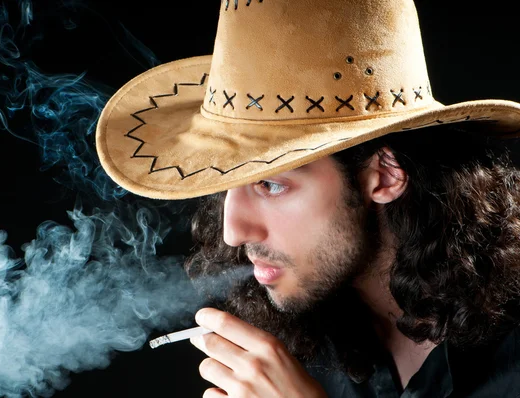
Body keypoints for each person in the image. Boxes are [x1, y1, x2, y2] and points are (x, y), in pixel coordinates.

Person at [95, 0, 519, 396]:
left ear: (384, 175)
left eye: (271, 184)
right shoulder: (303, 340)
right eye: (227, 182)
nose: (232, 232)